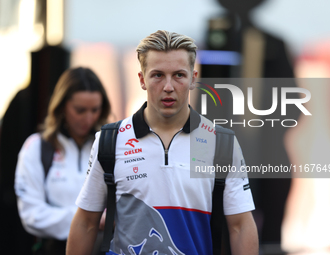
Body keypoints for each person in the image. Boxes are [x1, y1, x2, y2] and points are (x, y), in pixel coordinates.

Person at [67, 30, 258, 255]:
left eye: (179, 75)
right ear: (142, 80)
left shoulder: (221, 143)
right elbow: (87, 222)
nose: (168, 86)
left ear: (193, 79)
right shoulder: (111, 140)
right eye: (158, 75)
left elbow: (240, 225)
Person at [14, 67, 111, 255]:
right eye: (80, 110)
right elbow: (32, 215)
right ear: (62, 106)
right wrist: (92, 220)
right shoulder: (37, 147)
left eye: (95, 110)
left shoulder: (111, 147)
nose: (88, 118)